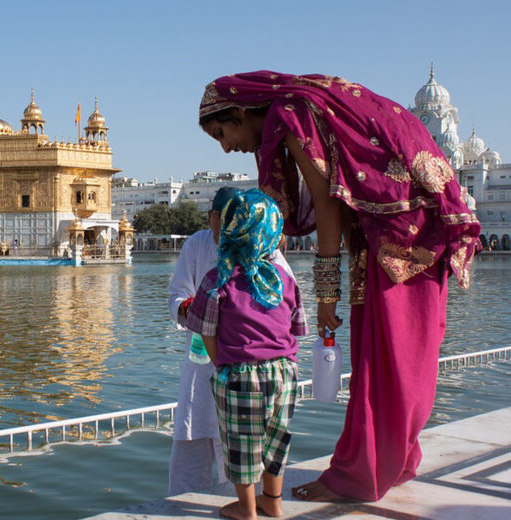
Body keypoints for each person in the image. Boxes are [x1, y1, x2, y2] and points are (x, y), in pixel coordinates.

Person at [198, 71, 481, 502]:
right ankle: (395, 461)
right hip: (417, 229)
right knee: (407, 359)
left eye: (223, 131)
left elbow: (328, 205)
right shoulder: (311, 103)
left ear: (241, 111)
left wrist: (326, 294)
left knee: (383, 358)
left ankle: (357, 476)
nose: (226, 146)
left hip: (395, 237)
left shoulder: (289, 114)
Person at [167, 186, 300, 496]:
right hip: (205, 367)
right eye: (218, 217)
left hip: (246, 370)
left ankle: (247, 505)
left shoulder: (266, 250)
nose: (222, 225)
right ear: (211, 217)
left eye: (229, 218)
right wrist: (192, 310)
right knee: (195, 440)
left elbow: (288, 306)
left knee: (245, 449)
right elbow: (176, 296)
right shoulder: (197, 245)